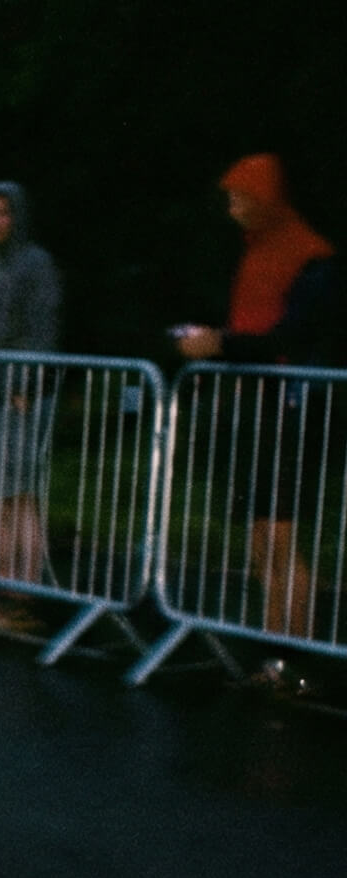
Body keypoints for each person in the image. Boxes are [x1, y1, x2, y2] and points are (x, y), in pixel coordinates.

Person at [172, 154, 338, 640]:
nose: (232, 208)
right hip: (255, 404)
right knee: (259, 537)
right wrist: (219, 346)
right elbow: (252, 328)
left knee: (281, 537)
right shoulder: (255, 251)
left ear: (264, 198)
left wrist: (220, 344)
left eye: (239, 198)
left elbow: (291, 336)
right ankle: (272, 643)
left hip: (291, 405)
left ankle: (294, 652)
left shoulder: (311, 256)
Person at [0, 181, 64, 623]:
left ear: (17, 216)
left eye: (1, 212)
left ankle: (25, 593)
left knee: (18, 496)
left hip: (17, 393)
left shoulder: (33, 262)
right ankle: (5, 584)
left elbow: (44, 324)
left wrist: (28, 383)